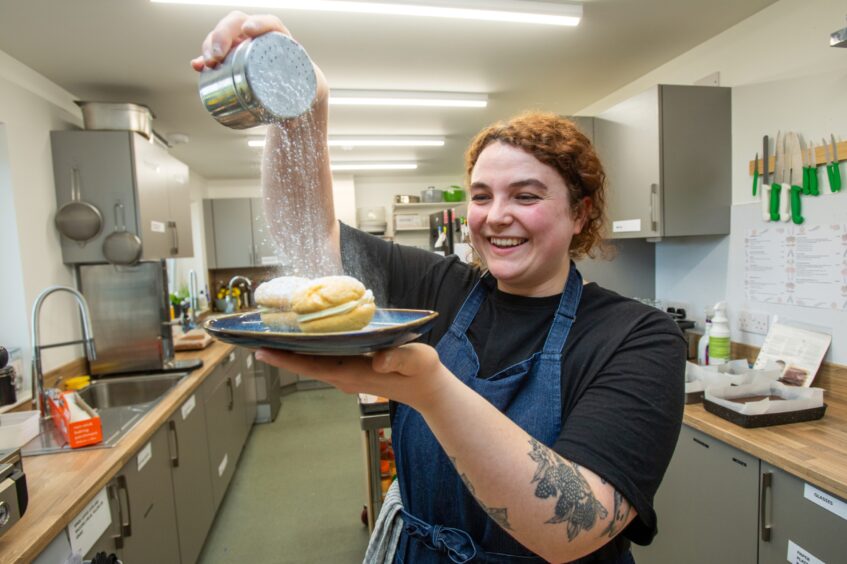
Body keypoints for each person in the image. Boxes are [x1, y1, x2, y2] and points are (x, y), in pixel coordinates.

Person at [194, 13, 685, 563]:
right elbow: (308, 238)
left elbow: (572, 528)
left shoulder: (636, 336)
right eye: (481, 196)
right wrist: (301, 107)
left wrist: (431, 390)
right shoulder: (438, 287)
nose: (497, 216)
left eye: (526, 196)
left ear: (579, 213)